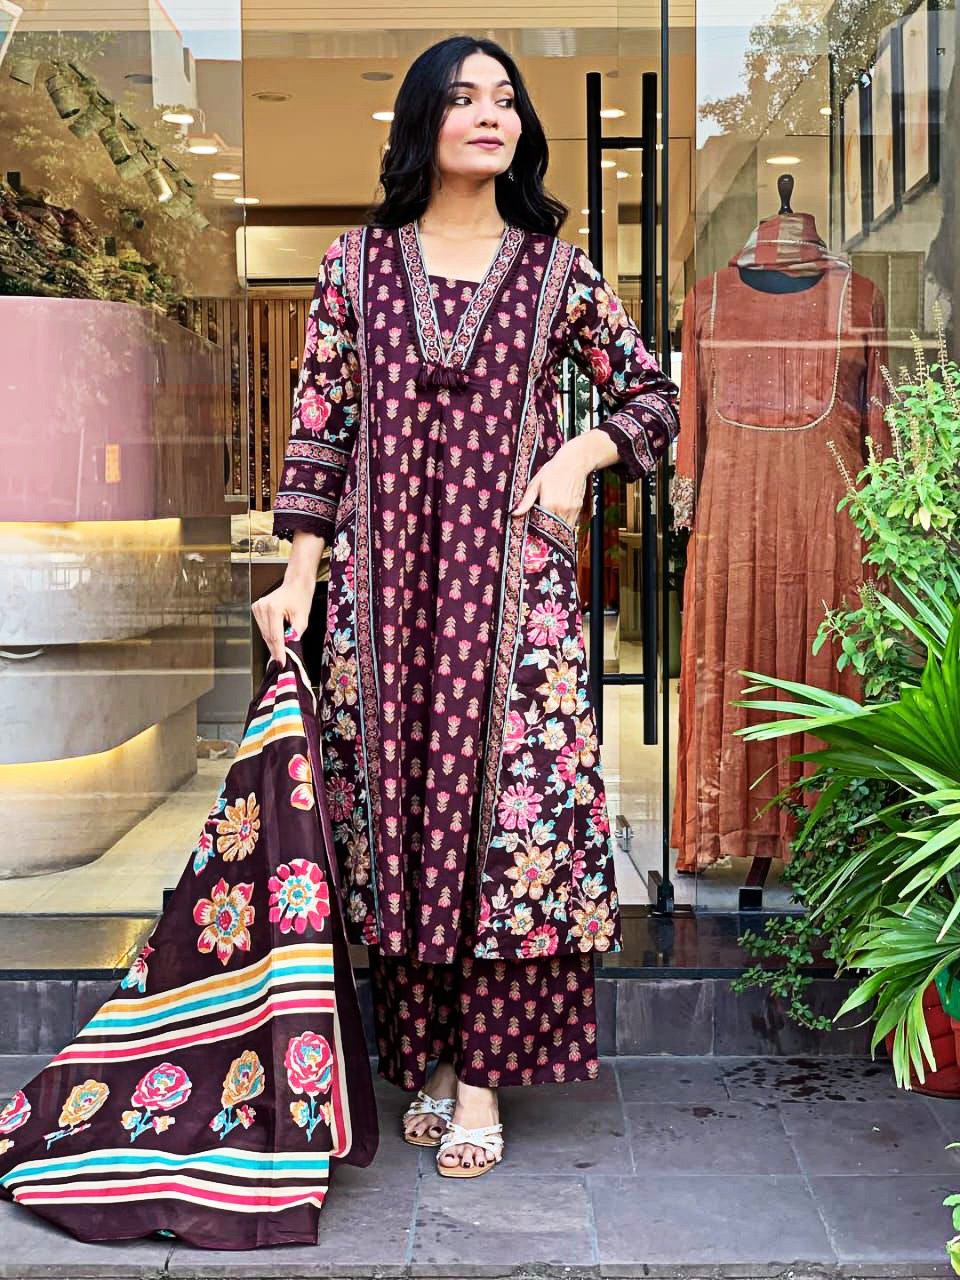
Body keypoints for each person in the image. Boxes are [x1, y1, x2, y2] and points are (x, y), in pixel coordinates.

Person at [254, 34, 680, 1180]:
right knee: (398, 819)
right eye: (462, 98)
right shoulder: (354, 266)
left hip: (515, 603)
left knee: (505, 825)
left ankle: (482, 1076)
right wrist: (298, 575)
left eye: (505, 98)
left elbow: (653, 396)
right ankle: (432, 1058)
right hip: (384, 595)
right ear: (422, 123)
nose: (490, 114)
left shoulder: (556, 271)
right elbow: (320, 428)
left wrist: (579, 453)